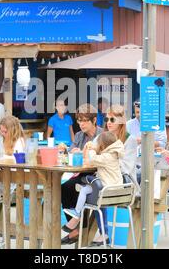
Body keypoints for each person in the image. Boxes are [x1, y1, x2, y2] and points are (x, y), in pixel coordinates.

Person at [63, 132, 123, 246]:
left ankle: (77, 215)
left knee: (85, 187)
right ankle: (102, 233)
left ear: (103, 146)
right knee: (86, 187)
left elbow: (91, 159)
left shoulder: (106, 156)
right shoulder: (113, 154)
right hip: (114, 189)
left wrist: (90, 148)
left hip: (106, 190)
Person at [61, 103, 103, 245]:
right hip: (82, 174)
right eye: (79, 120)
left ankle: (78, 227)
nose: (81, 124)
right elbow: (71, 151)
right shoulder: (79, 135)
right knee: (65, 187)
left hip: (98, 175)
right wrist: (68, 150)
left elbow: (103, 158)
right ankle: (76, 230)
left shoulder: (102, 135)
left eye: (85, 120)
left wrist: (85, 155)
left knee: (75, 189)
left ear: (94, 120)